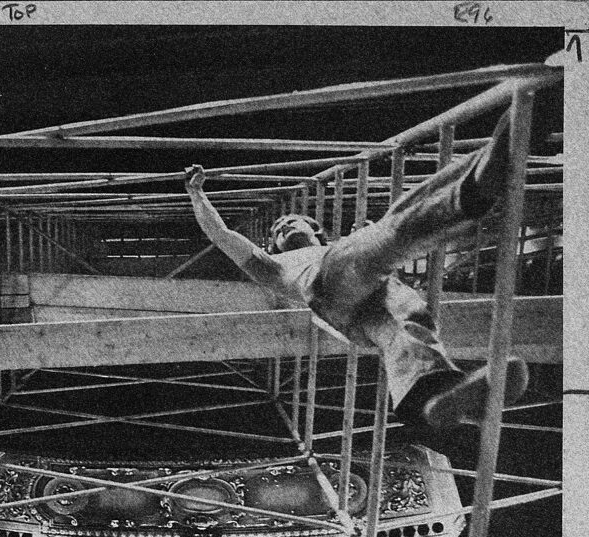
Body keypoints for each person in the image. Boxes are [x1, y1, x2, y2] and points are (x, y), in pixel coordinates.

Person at [183, 110, 528, 432]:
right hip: (329, 285)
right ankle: (476, 185)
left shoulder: (337, 244)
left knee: (406, 327)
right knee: (396, 228)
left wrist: (363, 240)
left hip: (361, 317)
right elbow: (223, 236)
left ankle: (433, 397)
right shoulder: (275, 267)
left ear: (317, 230)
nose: (284, 225)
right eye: (278, 230)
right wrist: (197, 194)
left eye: (292, 219)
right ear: (273, 246)